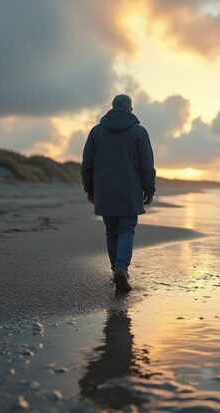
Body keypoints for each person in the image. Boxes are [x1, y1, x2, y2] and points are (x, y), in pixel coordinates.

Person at [81, 94, 156, 293]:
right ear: (130, 109)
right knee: (126, 229)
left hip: (104, 190)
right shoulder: (139, 132)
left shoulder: (96, 132)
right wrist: (149, 189)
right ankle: (121, 269)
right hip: (129, 190)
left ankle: (116, 269)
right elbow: (147, 165)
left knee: (111, 231)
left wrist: (89, 188)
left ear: (112, 108)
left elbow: (87, 164)